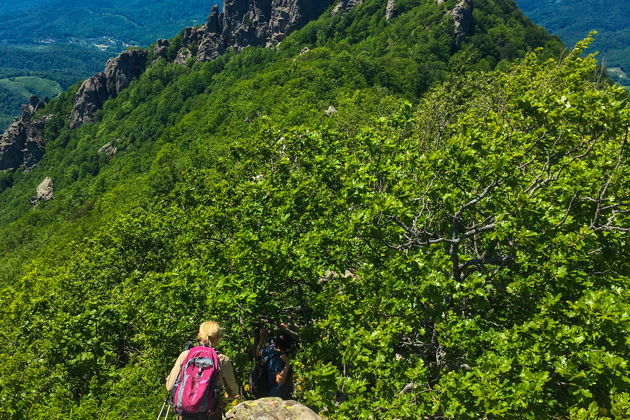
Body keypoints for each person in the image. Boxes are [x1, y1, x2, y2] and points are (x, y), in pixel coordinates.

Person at [166, 321, 240, 419]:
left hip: (185, 413)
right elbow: (233, 391)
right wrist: (232, 396)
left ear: (200, 334)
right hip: (211, 413)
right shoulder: (222, 359)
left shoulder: (185, 355)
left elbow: (170, 387)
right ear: (218, 337)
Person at [256, 326, 294, 400]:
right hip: (275, 395)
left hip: (266, 391)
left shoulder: (271, 349)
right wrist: (287, 364)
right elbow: (279, 381)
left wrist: (262, 337)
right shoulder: (278, 360)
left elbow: (258, 352)